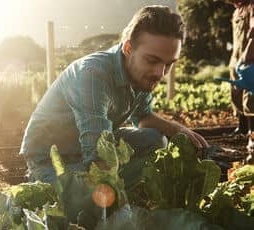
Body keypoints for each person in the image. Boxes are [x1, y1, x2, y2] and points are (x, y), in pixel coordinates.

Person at [20, 5, 209, 184]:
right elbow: (96, 154)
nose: (160, 73)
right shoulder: (93, 74)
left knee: (155, 140)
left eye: (169, 64)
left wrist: (177, 129)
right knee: (84, 203)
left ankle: (105, 191)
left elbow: (143, 118)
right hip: (52, 159)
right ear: (128, 48)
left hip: (88, 149)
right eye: (152, 60)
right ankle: (42, 182)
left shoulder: (140, 75)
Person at [226, 0, 254, 136]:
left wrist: (246, 56)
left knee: (249, 96)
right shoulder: (236, 11)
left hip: (249, 57)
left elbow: (253, 35)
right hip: (236, 58)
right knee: (236, 92)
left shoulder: (251, 7)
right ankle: (241, 127)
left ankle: (251, 130)